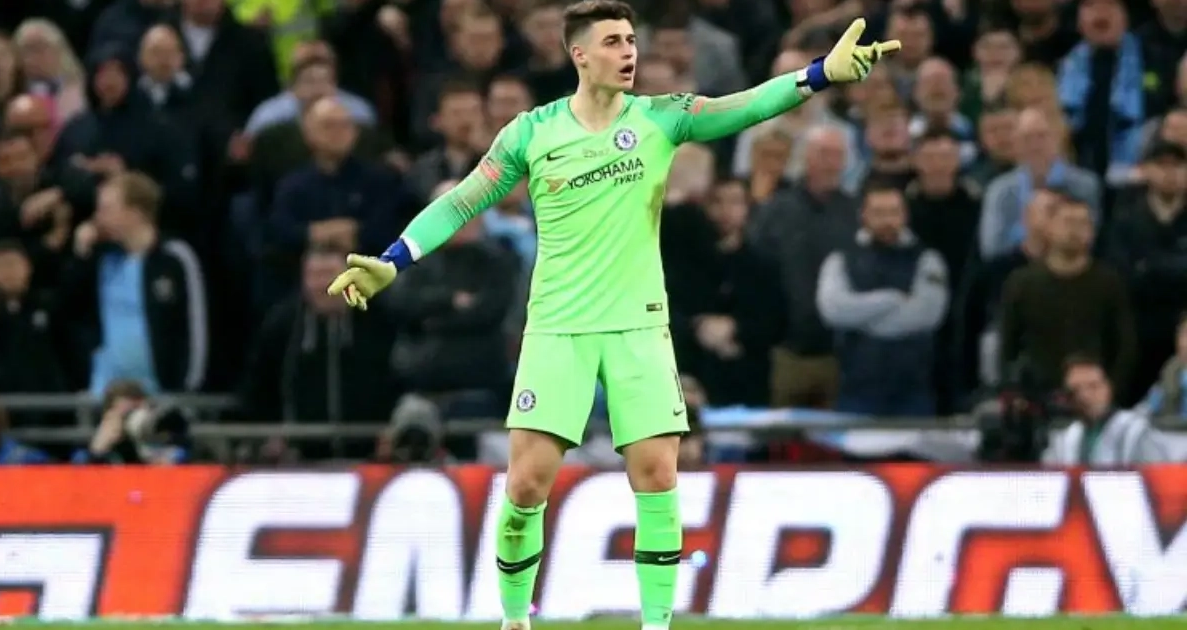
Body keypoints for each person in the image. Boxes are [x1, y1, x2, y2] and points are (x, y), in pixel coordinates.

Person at [325, 3, 899, 630]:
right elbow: (462, 201)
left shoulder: (660, 117)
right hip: (558, 329)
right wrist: (393, 259)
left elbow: (743, 106)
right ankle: (514, 620)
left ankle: (657, 624)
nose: (628, 52)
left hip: (638, 327)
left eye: (630, 40)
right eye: (612, 42)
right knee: (526, 486)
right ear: (579, 54)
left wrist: (817, 74)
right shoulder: (531, 132)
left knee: (657, 476)